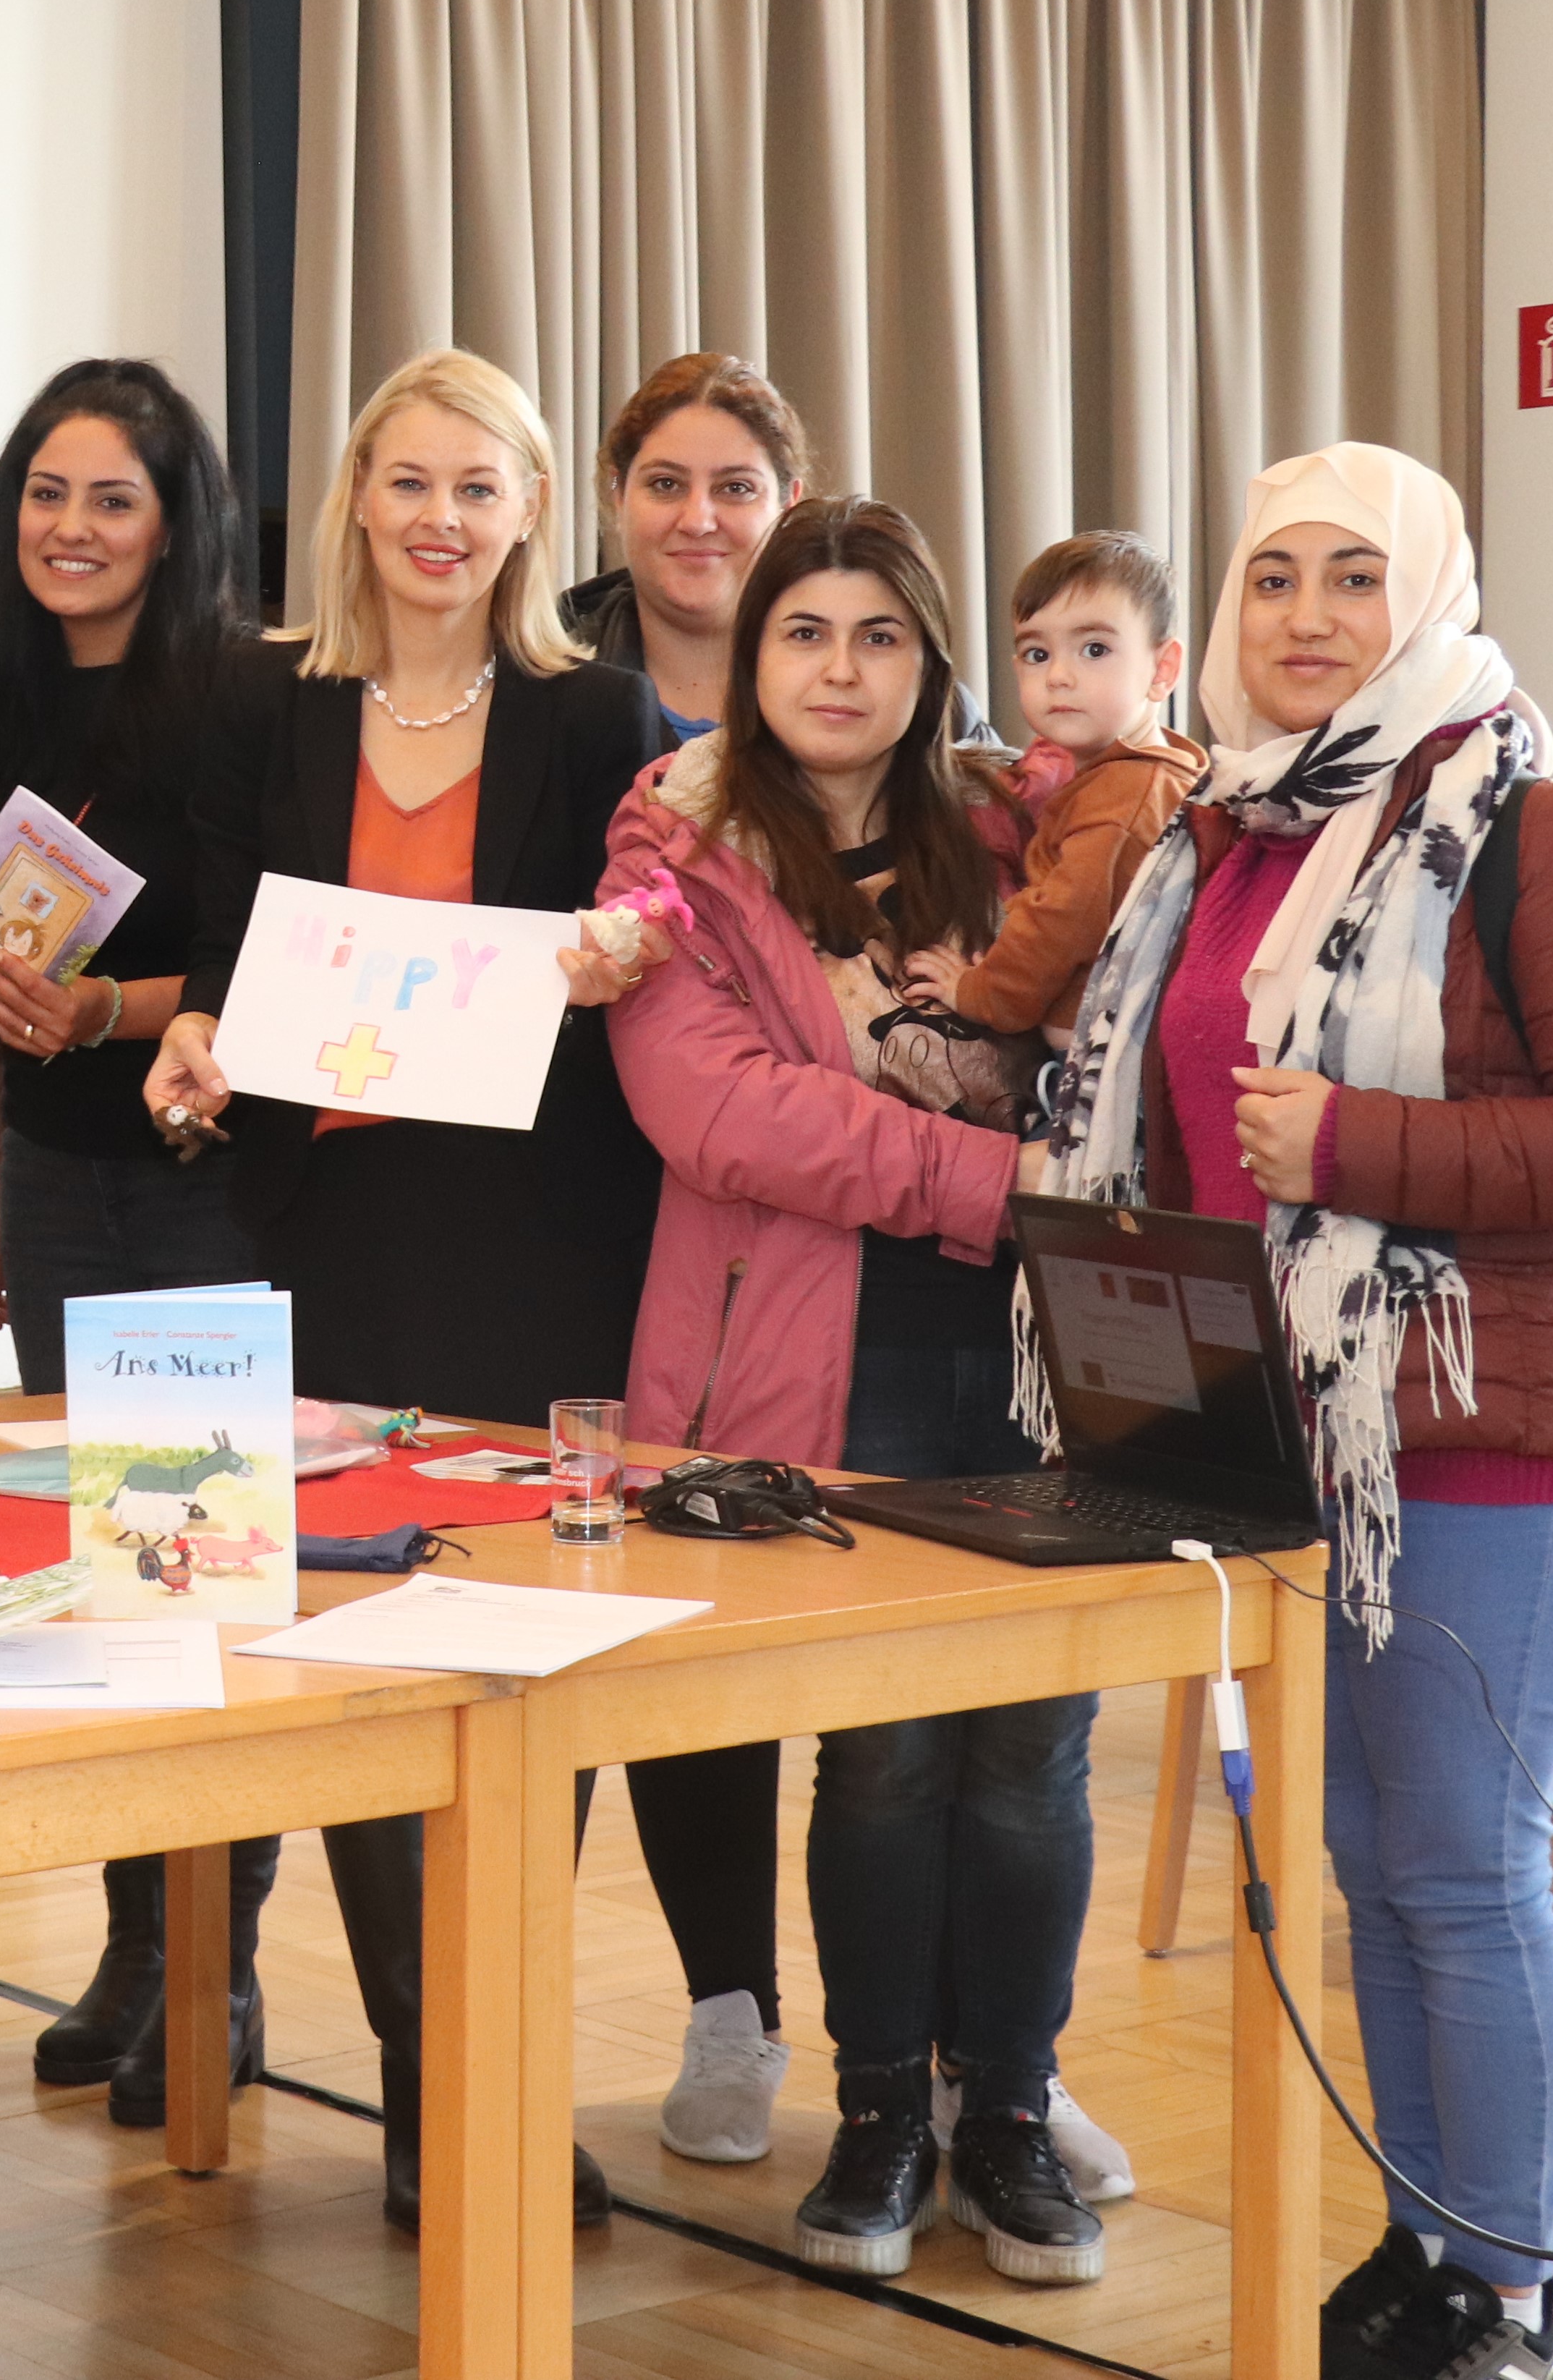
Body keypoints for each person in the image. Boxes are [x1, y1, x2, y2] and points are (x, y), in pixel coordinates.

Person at [1037, 445, 1553, 2380]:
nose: (1303, 618)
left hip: (1479, 1425)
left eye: (1350, 577)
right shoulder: (1210, 834)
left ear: (1429, 596)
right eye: (1270, 576)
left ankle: (1511, 2301)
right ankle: (1425, 2246)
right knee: (1374, 1851)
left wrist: (1357, 1137)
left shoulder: (1523, 818)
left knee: (1456, 1856)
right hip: (1288, 1436)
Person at [153, 348, 689, 2226]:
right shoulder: (257, 700)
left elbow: (642, 945)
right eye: (406, 482)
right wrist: (198, 1040)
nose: (438, 519)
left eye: (476, 486)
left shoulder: (595, 708)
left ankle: (484, 2080)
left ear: (528, 510)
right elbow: (224, 948)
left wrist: (619, 956)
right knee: (361, 1670)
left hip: (539, 1246)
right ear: (353, 498)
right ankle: (425, 2100)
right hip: (327, 1244)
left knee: (510, 1679)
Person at [600, 496, 1112, 2292]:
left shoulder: (1024, 820)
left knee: (1036, 1754)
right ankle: (884, 2106)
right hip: (826, 1364)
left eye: (878, 633)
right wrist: (1000, 1183)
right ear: (750, 662)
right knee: (888, 1755)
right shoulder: (675, 841)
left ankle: (1014, 2114)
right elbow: (719, 1107)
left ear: (930, 657)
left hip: (1042, 1356)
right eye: (803, 631)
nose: (841, 666)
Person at [0, 360, 276, 2102]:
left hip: (204, 1162)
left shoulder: (239, 693)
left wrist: (111, 1013)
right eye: (46, 495)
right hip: (61, 1166)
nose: (70, 529)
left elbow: (265, 961)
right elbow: (3, 977)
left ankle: (220, 1969)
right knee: (110, 1562)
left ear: (175, 519)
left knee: (201, 1565)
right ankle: (143, 1939)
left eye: (111, 499)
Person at [898, 533, 1201, 1045]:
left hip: (1107, 1067)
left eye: (1094, 649)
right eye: (1037, 653)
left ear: (1162, 670)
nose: (1058, 675)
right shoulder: (1138, 775)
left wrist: (976, 991)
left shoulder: (1125, 799)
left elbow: (1064, 919)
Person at [558, 352, 809, 741]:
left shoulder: (852, 680)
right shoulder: (538, 683)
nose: (697, 522)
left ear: (788, 505)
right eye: (666, 485)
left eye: (735, 488)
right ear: (619, 494)